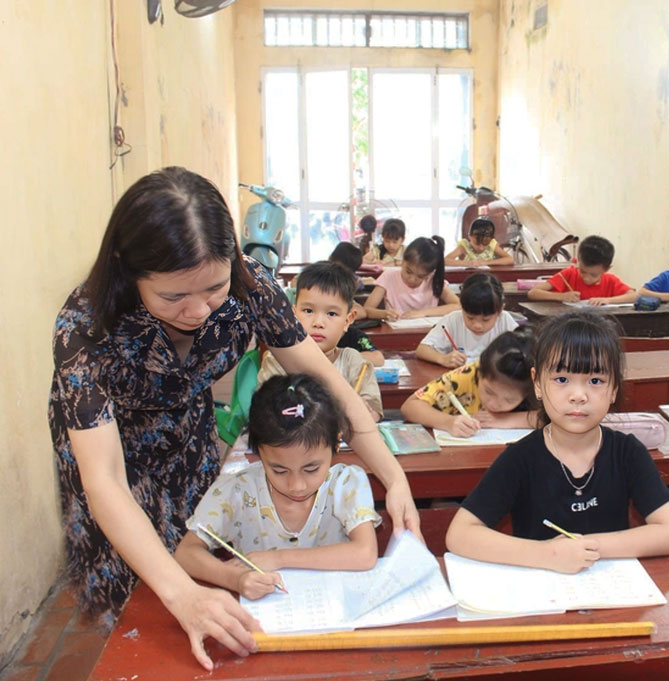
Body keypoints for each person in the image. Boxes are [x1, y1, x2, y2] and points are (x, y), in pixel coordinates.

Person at [48, 167, 418, 671]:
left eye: (214, 288)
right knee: (144, 608)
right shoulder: (86, 326)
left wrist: (393, 477)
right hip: (109, 454)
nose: (199, 310)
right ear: (126, 269)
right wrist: (182, 597)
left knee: (203, 560)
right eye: (174, 296)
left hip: (186, 439)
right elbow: (105, 480)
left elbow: (332, 386)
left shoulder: (251, 286)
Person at [445, 310, 669, 572]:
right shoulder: (521, 458)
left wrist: (585, 548)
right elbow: (460, 534)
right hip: (543, 588)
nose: (578, 395)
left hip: (612, 587)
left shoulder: (627, 452)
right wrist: (548, 554)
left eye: (596, 381)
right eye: (562, 379)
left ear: (614, 389)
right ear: (537, 384)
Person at [175, 374, 379, 600]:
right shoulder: (236, 491)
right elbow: (185, 553)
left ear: (336, 443)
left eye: (311, 469)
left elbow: (365, 553)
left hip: (333, 609)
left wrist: (279, 558)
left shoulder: (346, 484)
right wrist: (236, 579)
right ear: (258, 452)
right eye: (279, 470)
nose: (297, 486)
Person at [258, 262, 383, 422]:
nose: (318, 323)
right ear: (294, 315)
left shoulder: (355, 362)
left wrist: (365, 411)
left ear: (348, 320)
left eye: (331, 314)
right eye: (308, 311)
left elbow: (373, 412)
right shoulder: (277, 361)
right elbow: (267, 414)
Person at [402, 328, 538, 437]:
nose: (493, 404)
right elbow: (410, 407)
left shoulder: (541, 383)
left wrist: (505, 420)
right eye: (489, 391)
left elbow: (550, 418)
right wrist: (448, 422)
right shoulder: (468, 374)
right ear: (480, 371)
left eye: (509, 400)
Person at [416, 272, 519, 368]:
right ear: (462, 307)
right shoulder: (453, 320)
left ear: (500, 310)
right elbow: (422, 349)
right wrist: (443, 359)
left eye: (485, 320)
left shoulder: (505, 321)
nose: (477, 325)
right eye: (470, 318)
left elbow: (524, 349)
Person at [362, 236, 460, 320]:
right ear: (402, 261)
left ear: (429, 273)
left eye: (420, 276)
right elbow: (367, 309)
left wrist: (423, 313)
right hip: (396, 332)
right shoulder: (388, 277)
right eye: (408, 271)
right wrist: (384, 314)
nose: (412, 279)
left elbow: (458, 306)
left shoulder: (433, 280)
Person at [526, 235, 638, 305]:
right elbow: (533, 293)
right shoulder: (569, 274)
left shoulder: (610, 281)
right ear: (577, 261)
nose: (586, 278)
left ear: (607, 269)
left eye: (593, 275)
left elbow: (635, 296)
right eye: (583, 271)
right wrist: (561, 296)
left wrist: (608, 300)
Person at [445, 217, 514, 265]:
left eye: (485, 244)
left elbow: (510, 260)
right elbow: (445, 261)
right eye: (477, 244)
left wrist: (486, 262)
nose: (481, 248)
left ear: (491, 239)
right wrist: (469, 263)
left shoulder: (492, 245)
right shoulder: (465, 246)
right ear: (470, 236)